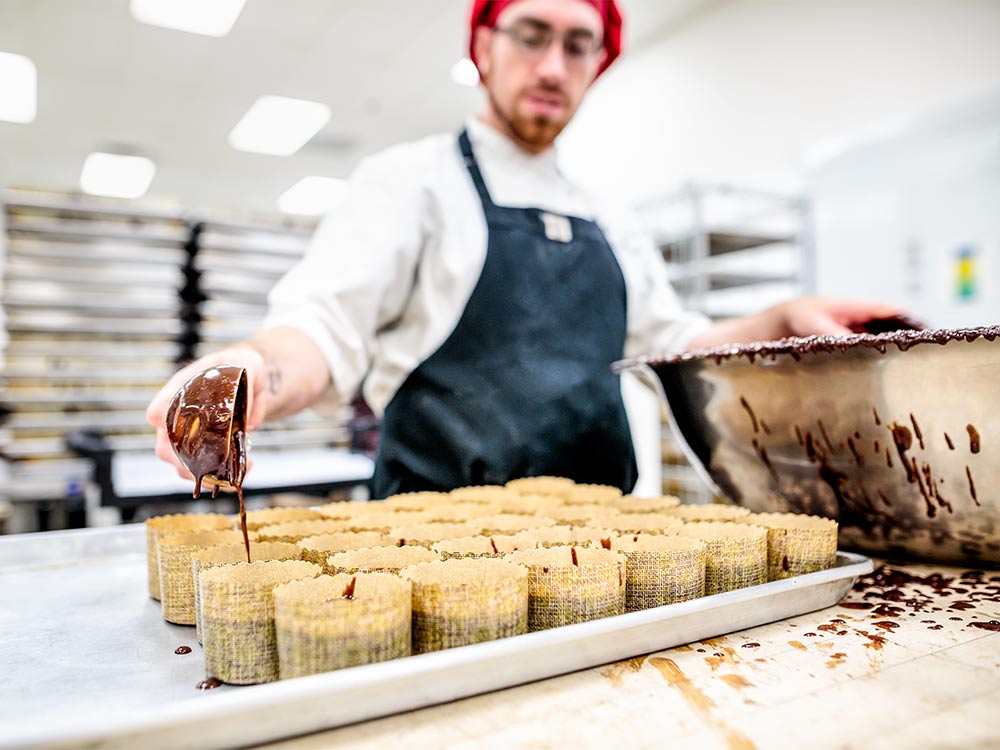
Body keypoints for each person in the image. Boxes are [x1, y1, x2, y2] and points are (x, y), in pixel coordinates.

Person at [146, 0, 904, 497]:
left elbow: (672, 343)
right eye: (531, 35)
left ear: (597, 64)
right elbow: (320, 330)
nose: (552, 66)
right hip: (429, 542)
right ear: (484, 44)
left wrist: (778, 321)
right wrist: (252, 370)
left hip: (600, 548)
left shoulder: (610, 215)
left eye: (579, 45)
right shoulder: (411, 182)